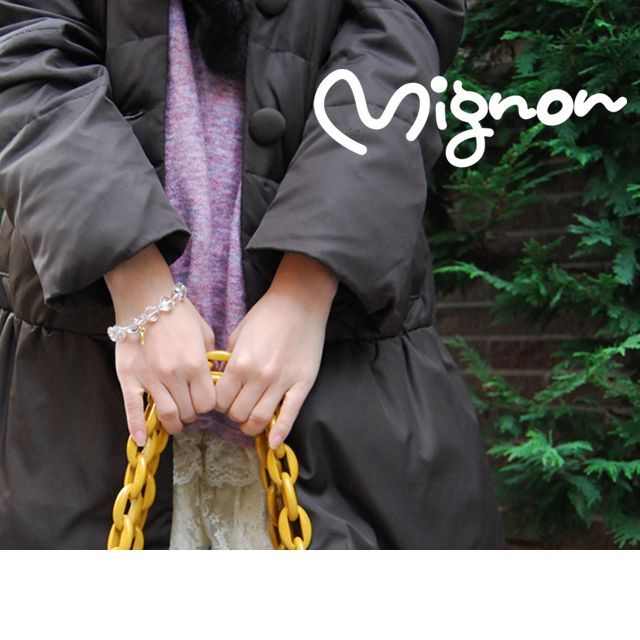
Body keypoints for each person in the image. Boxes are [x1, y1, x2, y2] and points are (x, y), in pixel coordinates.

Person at [0, 0, 504, 549]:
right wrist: (137, 285)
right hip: (82, 370)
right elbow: (25, 47)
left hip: (338, 353)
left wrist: (306, 287)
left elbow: (396, 45)